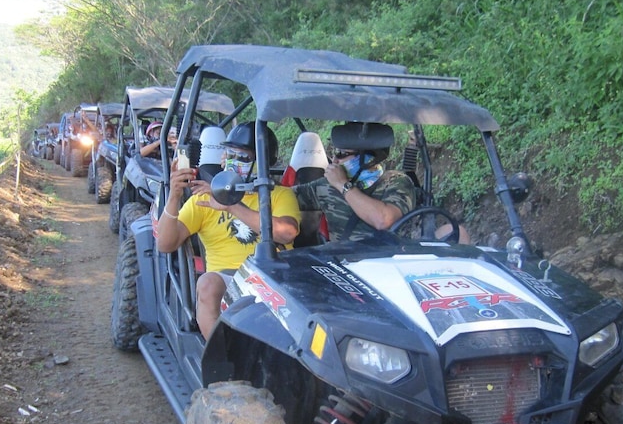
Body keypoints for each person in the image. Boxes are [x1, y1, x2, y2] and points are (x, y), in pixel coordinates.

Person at [156, 121, 301, 339]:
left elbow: (286, 233)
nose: (231, 161)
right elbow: (165, 244)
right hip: (225, 279)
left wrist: (230, 204)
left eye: (242, 157)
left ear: (263, 164)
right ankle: (223, 361)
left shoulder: (279, 195)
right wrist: (174, 196)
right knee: (206, 283)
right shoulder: (204, 197)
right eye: (228, 154)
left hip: (272, 279)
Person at [293, 122, 470, 243]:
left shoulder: (396, 182)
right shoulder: (325, 186)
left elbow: (383, 220)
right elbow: (284, 196)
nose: (334, 160)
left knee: (457, 232)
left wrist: (343, 185)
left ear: (367, 158)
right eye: (334, 153)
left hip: (393, 261)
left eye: (341, 154)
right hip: (347, 268)